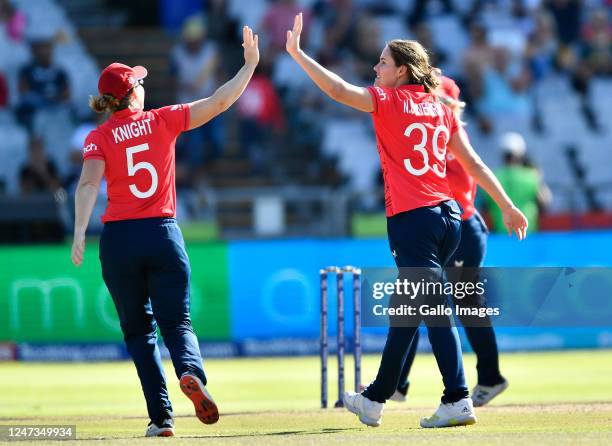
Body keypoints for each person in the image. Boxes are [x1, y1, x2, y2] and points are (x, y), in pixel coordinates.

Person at [286, 12, 527, 428]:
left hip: (413, 219)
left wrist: (298, 54)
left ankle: (457, 398)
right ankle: (376, 397)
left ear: (401, 71)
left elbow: (336, 89)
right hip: (450, 217)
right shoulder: (441, 105)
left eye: (381, 63)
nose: (375, 68)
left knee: (433, 311)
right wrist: (506, 205)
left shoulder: (389, 100)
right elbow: (473, 163)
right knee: (407, 310)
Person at [70, 25, 259, 437]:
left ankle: (161, 418)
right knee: (178, 323)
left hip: (119, 240)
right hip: (162, 233)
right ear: (133, 92)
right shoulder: (163, 119)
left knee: (139, 333)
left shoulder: (99, 136)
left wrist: (80, 231)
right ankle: (191, 373)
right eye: (139, 82)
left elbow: (87, 185)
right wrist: (248, 66)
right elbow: (220, 101)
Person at [392, 76, 509, 408]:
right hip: (444, 226)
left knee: (465, 306)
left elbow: (465, 162)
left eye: (435, 97)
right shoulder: (436, 125)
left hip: (461, 228)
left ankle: (489, 377)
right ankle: (397, 383)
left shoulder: (447, 130)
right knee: (414, 298)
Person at [485, 132, 550, 233]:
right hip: (528, 233)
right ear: (521, 154)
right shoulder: (532, 176)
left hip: (500, 234)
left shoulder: (492, 176)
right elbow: (545, 201)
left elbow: (485, 205)